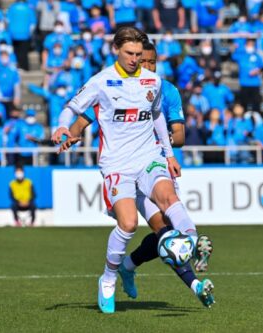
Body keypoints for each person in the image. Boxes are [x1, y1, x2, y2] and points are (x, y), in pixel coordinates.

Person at [52, 27, 214, 313]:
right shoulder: (102, 81)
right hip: (116, 164)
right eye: (130, 54)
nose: (135, 60)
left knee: (167, 197)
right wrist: (63, 126)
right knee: (128, 224)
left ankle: (189, 239)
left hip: (148, 156)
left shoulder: (153, 81)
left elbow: (157, 119)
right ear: (116, 49)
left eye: (140, 55)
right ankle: (109, 276)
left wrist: (168, 155)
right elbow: (73, 108)